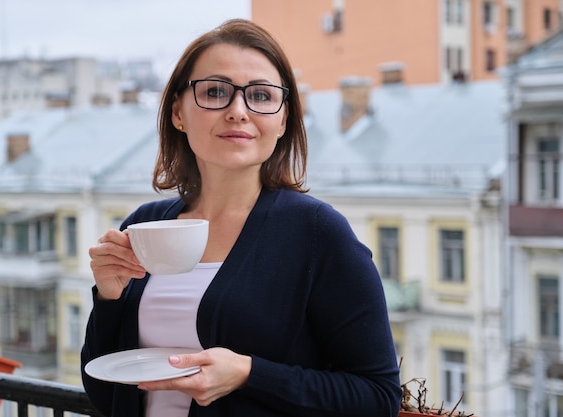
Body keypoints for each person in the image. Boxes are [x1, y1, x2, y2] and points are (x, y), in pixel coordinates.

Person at [81, 18, 401, 417]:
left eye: (262, 96)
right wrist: (109, 298)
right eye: (215, 92)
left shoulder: (317, 233)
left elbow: (378, 397)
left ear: (283, 119)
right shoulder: (145, 228)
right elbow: (104, 394)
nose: (238, 111)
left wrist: (250, 374)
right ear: (178, 111)